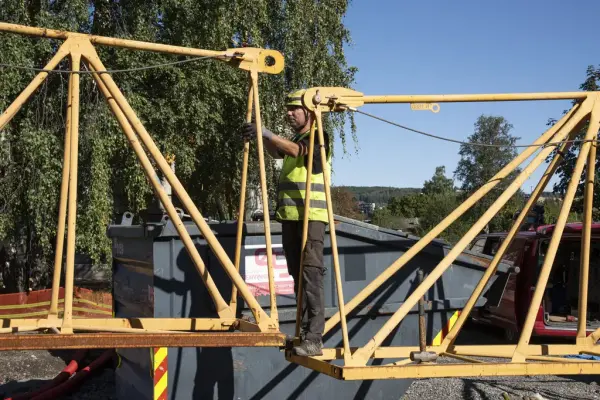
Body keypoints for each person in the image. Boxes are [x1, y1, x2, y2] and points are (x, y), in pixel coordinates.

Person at [240, 89, 331, 357]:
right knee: (297, 277)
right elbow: (279, 152)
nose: (289, 113)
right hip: (292, 218)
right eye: (288, 109)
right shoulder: (296, 138)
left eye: (294, 109)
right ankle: (304, 333)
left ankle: (314, 338)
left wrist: (267, 133)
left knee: (311, 275)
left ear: (310, 112)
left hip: (310, 219)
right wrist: (261, 138)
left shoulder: (318, 137)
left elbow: (294, 150)